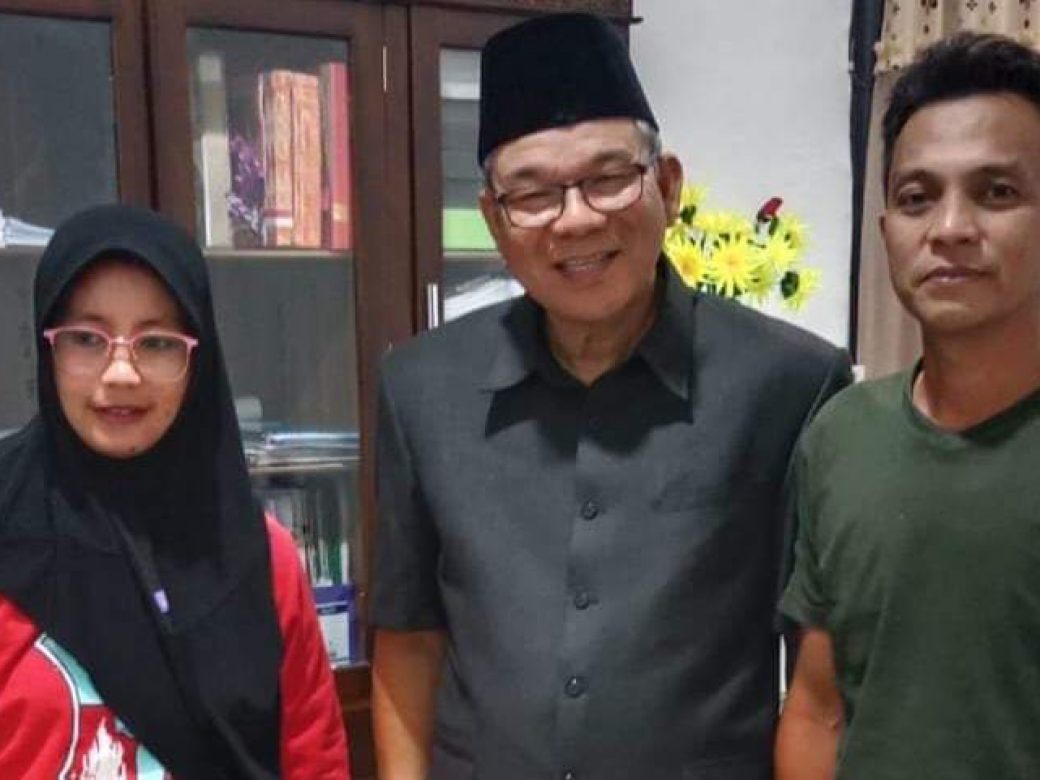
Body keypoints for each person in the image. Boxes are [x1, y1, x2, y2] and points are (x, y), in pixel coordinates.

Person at [371, 12, 851, 780]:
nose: (575, 219)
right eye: (532, 193)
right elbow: (409, 637)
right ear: (493, 219)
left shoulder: (790, 387)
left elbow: (819, 683)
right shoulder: (419, 389)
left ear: (667, 184)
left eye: (607, 178)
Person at [0, 204, 350, 779]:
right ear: (47, 348)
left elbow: (313, 761)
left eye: (158, 343)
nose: (121, 373)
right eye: (86, 338)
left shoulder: (260, 556)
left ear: (198, 358)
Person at [776, 32, 1040, 779]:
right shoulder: (842, 435)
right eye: (917, 198)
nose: (950, 229)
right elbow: (818, 708)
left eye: (997, 192)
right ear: (887, 229)